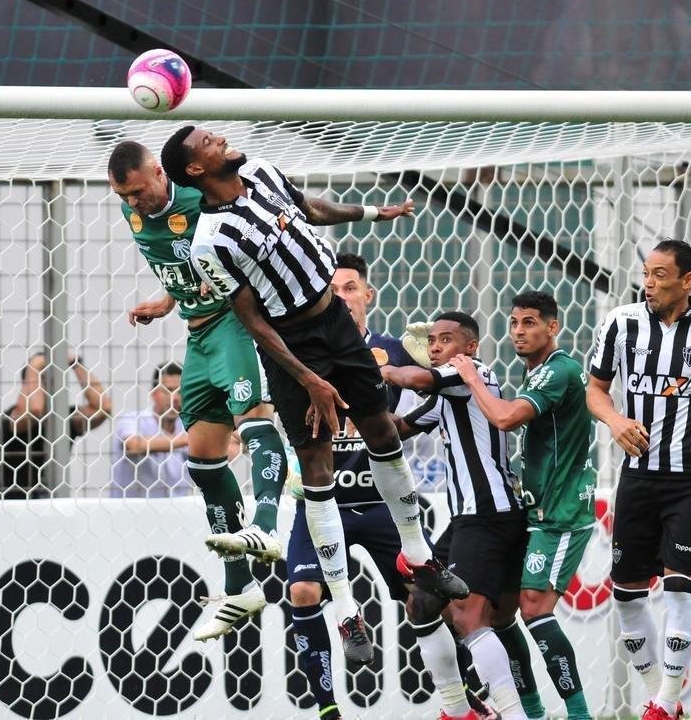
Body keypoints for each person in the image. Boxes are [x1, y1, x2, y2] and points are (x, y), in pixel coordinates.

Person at [161, 127, 466, 665]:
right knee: (317, 470)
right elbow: (252, 320)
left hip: (337, 327)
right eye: (208, 141)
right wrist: (307, 379)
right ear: (195, 170)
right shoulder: (210, 240)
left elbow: (310, 209)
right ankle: (346, 611)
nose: (221, 138)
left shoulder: (261, 172)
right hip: (292, 345)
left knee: (381, 434)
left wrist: (371, 213)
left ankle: (419, 557)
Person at [109, 140, 291, 642]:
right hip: (196, 336)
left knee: (253, 419)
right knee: (204, 462)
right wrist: (167, 301)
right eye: (123, 196)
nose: (133, 202)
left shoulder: (203, 195)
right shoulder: (134, 214)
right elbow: (178, 260)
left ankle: (266, 526)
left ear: (159, 173)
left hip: (236, 325)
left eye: (138, 191)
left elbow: (250, 240)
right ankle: (240, 588)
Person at [287, 255, 481, 720]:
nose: (341, 298)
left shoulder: (394, 351)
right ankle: (328, 709)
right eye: (331, 291)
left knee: (427, 598)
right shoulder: (301, 354)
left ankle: (471, 696)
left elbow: (451, 384)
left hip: (381, 504)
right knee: (304, 592)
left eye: (350, 288)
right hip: (324, 503)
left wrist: (437, 361)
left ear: (368, 295)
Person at [585, 239, 691, 719]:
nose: (648, 283)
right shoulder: (620, 323)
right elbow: (596, 391)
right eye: (646, 273)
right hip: (637, 477)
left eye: (659, 275)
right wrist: (615, 421)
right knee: (626, 595)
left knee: (680, 586)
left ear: (687, 281)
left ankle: (664, 701)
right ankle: (656, 698)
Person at [447, 291, 596, 720]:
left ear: (553, 327)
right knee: (500, 614)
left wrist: (470, 377)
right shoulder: (536, 373)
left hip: (562, 513)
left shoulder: (560, 370)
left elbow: (505, 418)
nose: (518, 331)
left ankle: (580, 714)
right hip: (532, 511)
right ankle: (532, 713)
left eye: (529, 323)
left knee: (533, 606)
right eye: (514, 323)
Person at [384, 312, 530, 719]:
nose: (435, 347)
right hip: (476, 516)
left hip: (487, 514)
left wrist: (377, 367)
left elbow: (415, 378)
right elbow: (399, 429)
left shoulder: (470, 373)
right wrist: (359, 405)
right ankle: (460, 708)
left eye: (445, 339)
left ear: (470, 347)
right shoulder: (449, 393)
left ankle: (513, 714)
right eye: (432, 340)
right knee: (422, 602)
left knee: (469, 617)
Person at [0, 352, 111, 499]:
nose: (49, 388)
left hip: (54, 505)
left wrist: (76, 364)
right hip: (15, 506)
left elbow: (103, 408)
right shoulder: (13, 418)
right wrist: (34, 366)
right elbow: (34, 410)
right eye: (42, 380)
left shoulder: (62, 418)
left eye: (52, 382)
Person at [110, 361, 194, 498]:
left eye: (180, 391)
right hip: (132, 509)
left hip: (175, 509)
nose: (175, 398)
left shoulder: (188, 426)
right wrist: (189, 439)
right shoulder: (132, 419)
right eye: (168, 390)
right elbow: (133, 445)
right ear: (153, 393)